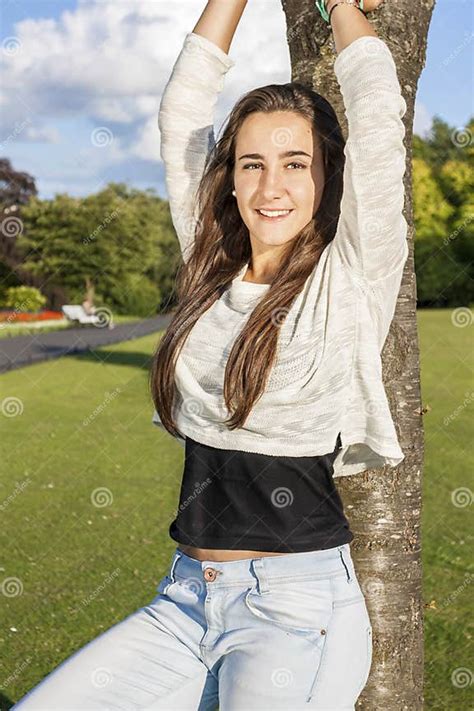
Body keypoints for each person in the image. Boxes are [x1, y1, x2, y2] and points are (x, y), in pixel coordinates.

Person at [13, 0, 409, 708]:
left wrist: (341, 7)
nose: (270, 186)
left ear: (326, 178)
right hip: (187, 599)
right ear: (227, 177)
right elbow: (181, 115)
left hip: (295, 615)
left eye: (296, 163)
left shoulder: (350, 275)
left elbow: (380, 120)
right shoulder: (210, 262)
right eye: (251, 163)